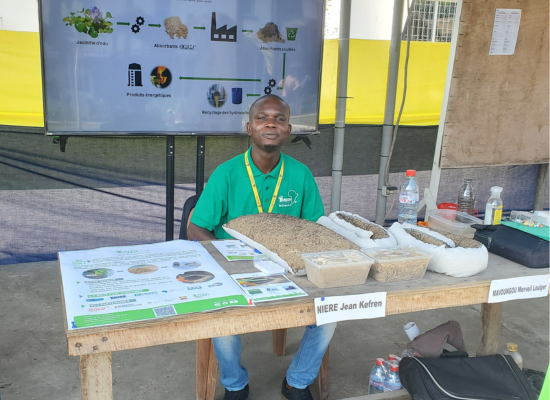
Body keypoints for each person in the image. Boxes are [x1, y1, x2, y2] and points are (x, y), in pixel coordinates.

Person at [188, 94, 336, 400]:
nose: (271, 123)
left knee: (331, 309)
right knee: (222, 317)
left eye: (279, 119)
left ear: (289, 129)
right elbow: (195, 226)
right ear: (249, 127)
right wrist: (229, 259)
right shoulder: (226, 173)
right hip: (235, 267)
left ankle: (297, 381)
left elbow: (314, 230)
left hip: (287, 268)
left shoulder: (300, 174)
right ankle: (235, 384)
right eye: (262, 118)